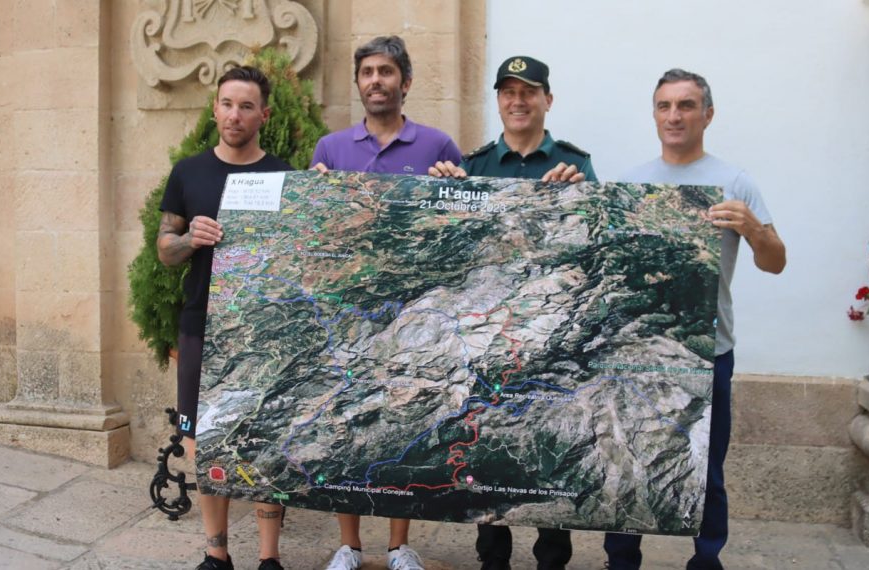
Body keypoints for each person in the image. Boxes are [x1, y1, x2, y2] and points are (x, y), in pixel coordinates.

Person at [602, 68, 787, 570]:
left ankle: (706, 560)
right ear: (654, 115)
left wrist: (753, 229)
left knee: (708, 467)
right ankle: (621, 559)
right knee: (627, 458)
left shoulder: (734, 181)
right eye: (664, 106)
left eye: (686, 105)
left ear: (708, 113)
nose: (674, 116)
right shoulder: (632, 182)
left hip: (709, 352)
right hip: (639, 351)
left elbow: (775, 262)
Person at [429, 55, 593, 570]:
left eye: (529, 91)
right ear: (498, 99)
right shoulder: (474, 166)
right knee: (486, 443)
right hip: (491, 333)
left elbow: (592, 243)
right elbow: (455, 254)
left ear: (548, 99)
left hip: (551, 330)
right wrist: (440, 195)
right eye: (508, 92)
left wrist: (582, 198)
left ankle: (552, 556)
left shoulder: (575, 165)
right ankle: (492, 556)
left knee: (550, 439)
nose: (518, 101)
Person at [311, 35, 461, 570]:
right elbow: (315, 234)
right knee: (347, 421)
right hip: (349, 310)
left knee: (409, 419)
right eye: (368, 72)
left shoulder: (438, 145)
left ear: (406, 82)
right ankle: (349, 545)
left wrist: (457, 188)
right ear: (358, 82)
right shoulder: (330, 150)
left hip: (414, 310)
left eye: (387, 72)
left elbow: (460, 222)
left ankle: (400, 546)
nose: (376, 80)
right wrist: (314, 196)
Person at [157, 65, 294, 570]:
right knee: (200, 438)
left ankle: (269, 557)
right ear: (214, 108)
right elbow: (164, 250)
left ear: (264, 114)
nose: (235, 115)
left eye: (246, 106)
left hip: (265, 328)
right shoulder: (188, 172)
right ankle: (216, 554)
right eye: (227, 104)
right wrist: (192, 238)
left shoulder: (284, 177)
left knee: (265, 434)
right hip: (201, 325)